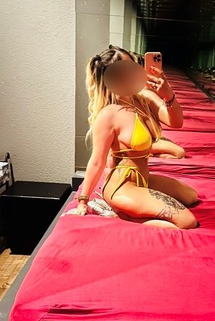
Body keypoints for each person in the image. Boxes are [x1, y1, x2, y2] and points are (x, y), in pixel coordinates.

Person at [76, 46, 198, 228]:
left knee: (191, 196)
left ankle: (129, 211)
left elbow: (176, 122)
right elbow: (97, 161)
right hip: (121, 186)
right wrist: (83, 200)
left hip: (143, 178)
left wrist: (168, 94)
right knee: (187, 222)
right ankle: (124, 218)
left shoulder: (144, 99)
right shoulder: (109, 114)